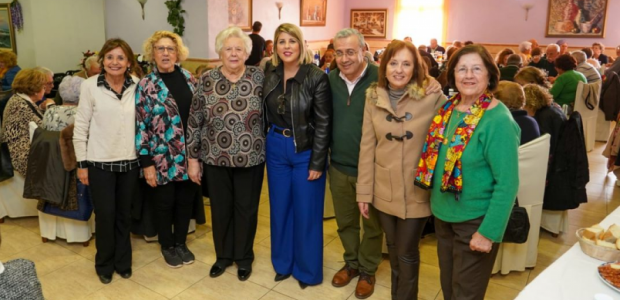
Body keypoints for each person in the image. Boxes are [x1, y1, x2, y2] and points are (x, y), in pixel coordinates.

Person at [415, 44, 520, 300]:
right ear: (453, 75)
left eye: (476, 68)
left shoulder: (498, 120)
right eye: (462, 69)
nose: (468, 75)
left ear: (489, 75)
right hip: (444, 216)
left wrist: (488, 232)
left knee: (466, 294)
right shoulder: (448, 109)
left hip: (475, 221)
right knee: (450, 286)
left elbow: (507, 184)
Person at [357, 40, 446, 300]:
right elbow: (366, 146)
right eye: (393, 63)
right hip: (383, 188)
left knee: (406, 252)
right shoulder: (373, 98)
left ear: (415, 68)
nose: (399, 69)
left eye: (406, 64)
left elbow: (449, 134)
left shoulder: (431, 96)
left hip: (416, 190)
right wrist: (363, 192)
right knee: (394, 249)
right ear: (384, 68)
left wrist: (436, 83)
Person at [187, 26, 265, 281]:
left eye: (238, 49)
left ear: (247, 52)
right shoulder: (207, 79)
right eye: (228, 49)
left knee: (247, 209)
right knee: (220, 210)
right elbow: (195, 120)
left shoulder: (259, 77)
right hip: (214, 158)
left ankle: (243, 257)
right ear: (220, 52)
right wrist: (193, 160)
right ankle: (223, 256)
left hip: (251, 157)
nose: (233, 54)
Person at [262, 23, 331, 289]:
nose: (287, 46)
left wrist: (317, 161)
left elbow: (324, 123)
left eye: (292, 41)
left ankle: (307, 269)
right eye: (281, 41)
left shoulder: (316, 76)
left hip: (305, 150)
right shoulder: (269, 72)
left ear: (301, 45)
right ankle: (283, 263)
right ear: (275, 47)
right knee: (280, 209)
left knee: (307, 212)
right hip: (276, 146)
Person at [73, 38, 140, 284]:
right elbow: (80, 128)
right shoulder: (90, 86)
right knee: (105, 215)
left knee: (124, 215)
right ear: (102, 61)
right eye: (110, 57)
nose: (115, 62)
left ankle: (123, 263)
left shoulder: (138, 85)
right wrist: (82, 164)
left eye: (120, 57)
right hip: (99, 163)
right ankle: (104, 264)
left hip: (130, 163)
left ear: (129, 62)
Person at [135, 30, 200, 268]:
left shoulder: (189, 78)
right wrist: (146, 163)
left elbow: (199, 116)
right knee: (164, 203)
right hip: (160, 156)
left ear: (178, 53)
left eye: (170, 49)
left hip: (189, 156)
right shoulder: (145, 85)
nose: (165, 53)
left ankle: (181, 243)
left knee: (185, 202)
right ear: (152, 53)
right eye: (160, 48)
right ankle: (167, 245)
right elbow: (140, 124)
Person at [327, 28, 383, 299]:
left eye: (351, 51)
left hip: (371, 168)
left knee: (371, 224)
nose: (345, 58)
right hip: (338, 165)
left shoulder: (381, 77)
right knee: (345, 221)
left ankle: (368, 269)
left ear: (364, 50)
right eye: (339, 52)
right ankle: (351, 263)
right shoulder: (330, 79)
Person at [1, 68, 46, 177]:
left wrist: (41, 108)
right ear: (35, 89)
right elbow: (45, 128)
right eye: (43, 87)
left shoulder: (18, 99)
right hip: (22, 158)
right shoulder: (20, 105)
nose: (45, 90)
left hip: (18, 152)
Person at [523, 84, 566, 155]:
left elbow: (544, 143)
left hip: (551, 156)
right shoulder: (552, 109)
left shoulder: (542, 117)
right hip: (561, 151)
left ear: (530, 105)